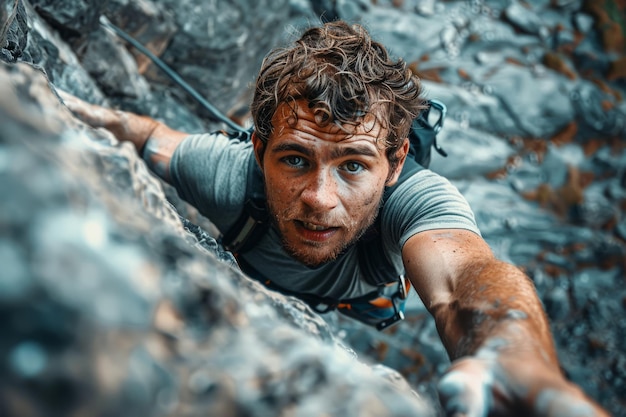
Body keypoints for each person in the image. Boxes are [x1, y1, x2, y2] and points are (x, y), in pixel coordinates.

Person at [60, 20, 609, 417]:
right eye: (295, 159)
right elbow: (153, 138)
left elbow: (467, 278)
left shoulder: (416, 202)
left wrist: (510, 348)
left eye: (353, 166)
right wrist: (69, 111)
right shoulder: (226, 174)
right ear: (258, 150)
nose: (320, 198)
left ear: (395, 164)